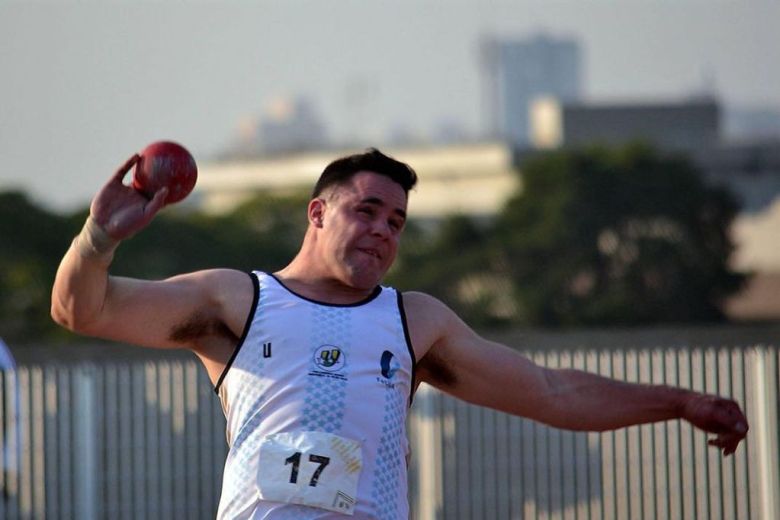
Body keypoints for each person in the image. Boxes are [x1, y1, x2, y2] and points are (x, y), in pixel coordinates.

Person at [51, 148, 748, 519]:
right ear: (317, 212)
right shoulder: (237, 299)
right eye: (368, 211)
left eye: (397, 222)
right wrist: (97, 238)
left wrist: (680, 402)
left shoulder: (414, 321)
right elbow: (82, 311)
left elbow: (553, 393)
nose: (383, 230)